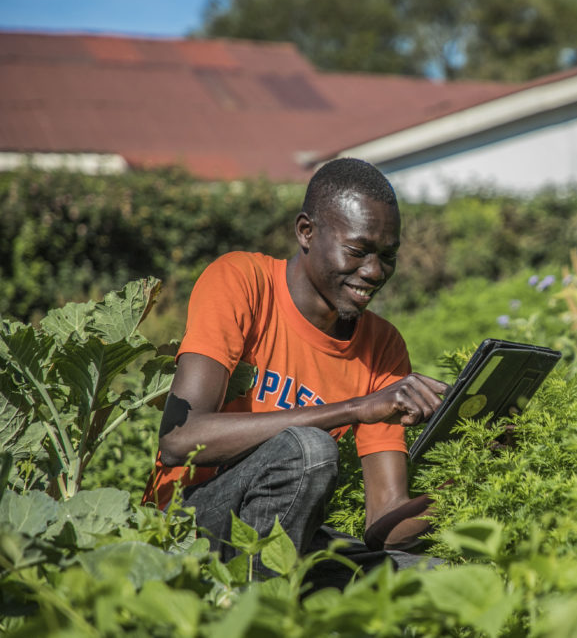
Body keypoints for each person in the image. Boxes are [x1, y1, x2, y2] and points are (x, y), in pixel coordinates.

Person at [142, 157, 449, 581]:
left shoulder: (383, 345)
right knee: (307, 450)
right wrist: (354, 409)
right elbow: (180, 439)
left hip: (291, 536)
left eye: (387, 256)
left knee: (432, 576)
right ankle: (255, 615)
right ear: (306, 231)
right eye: (357, 252)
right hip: (184, 525)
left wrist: (474, 473)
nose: (374, 272)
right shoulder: (241, 281)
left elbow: (386, 526)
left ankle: (274, 597)